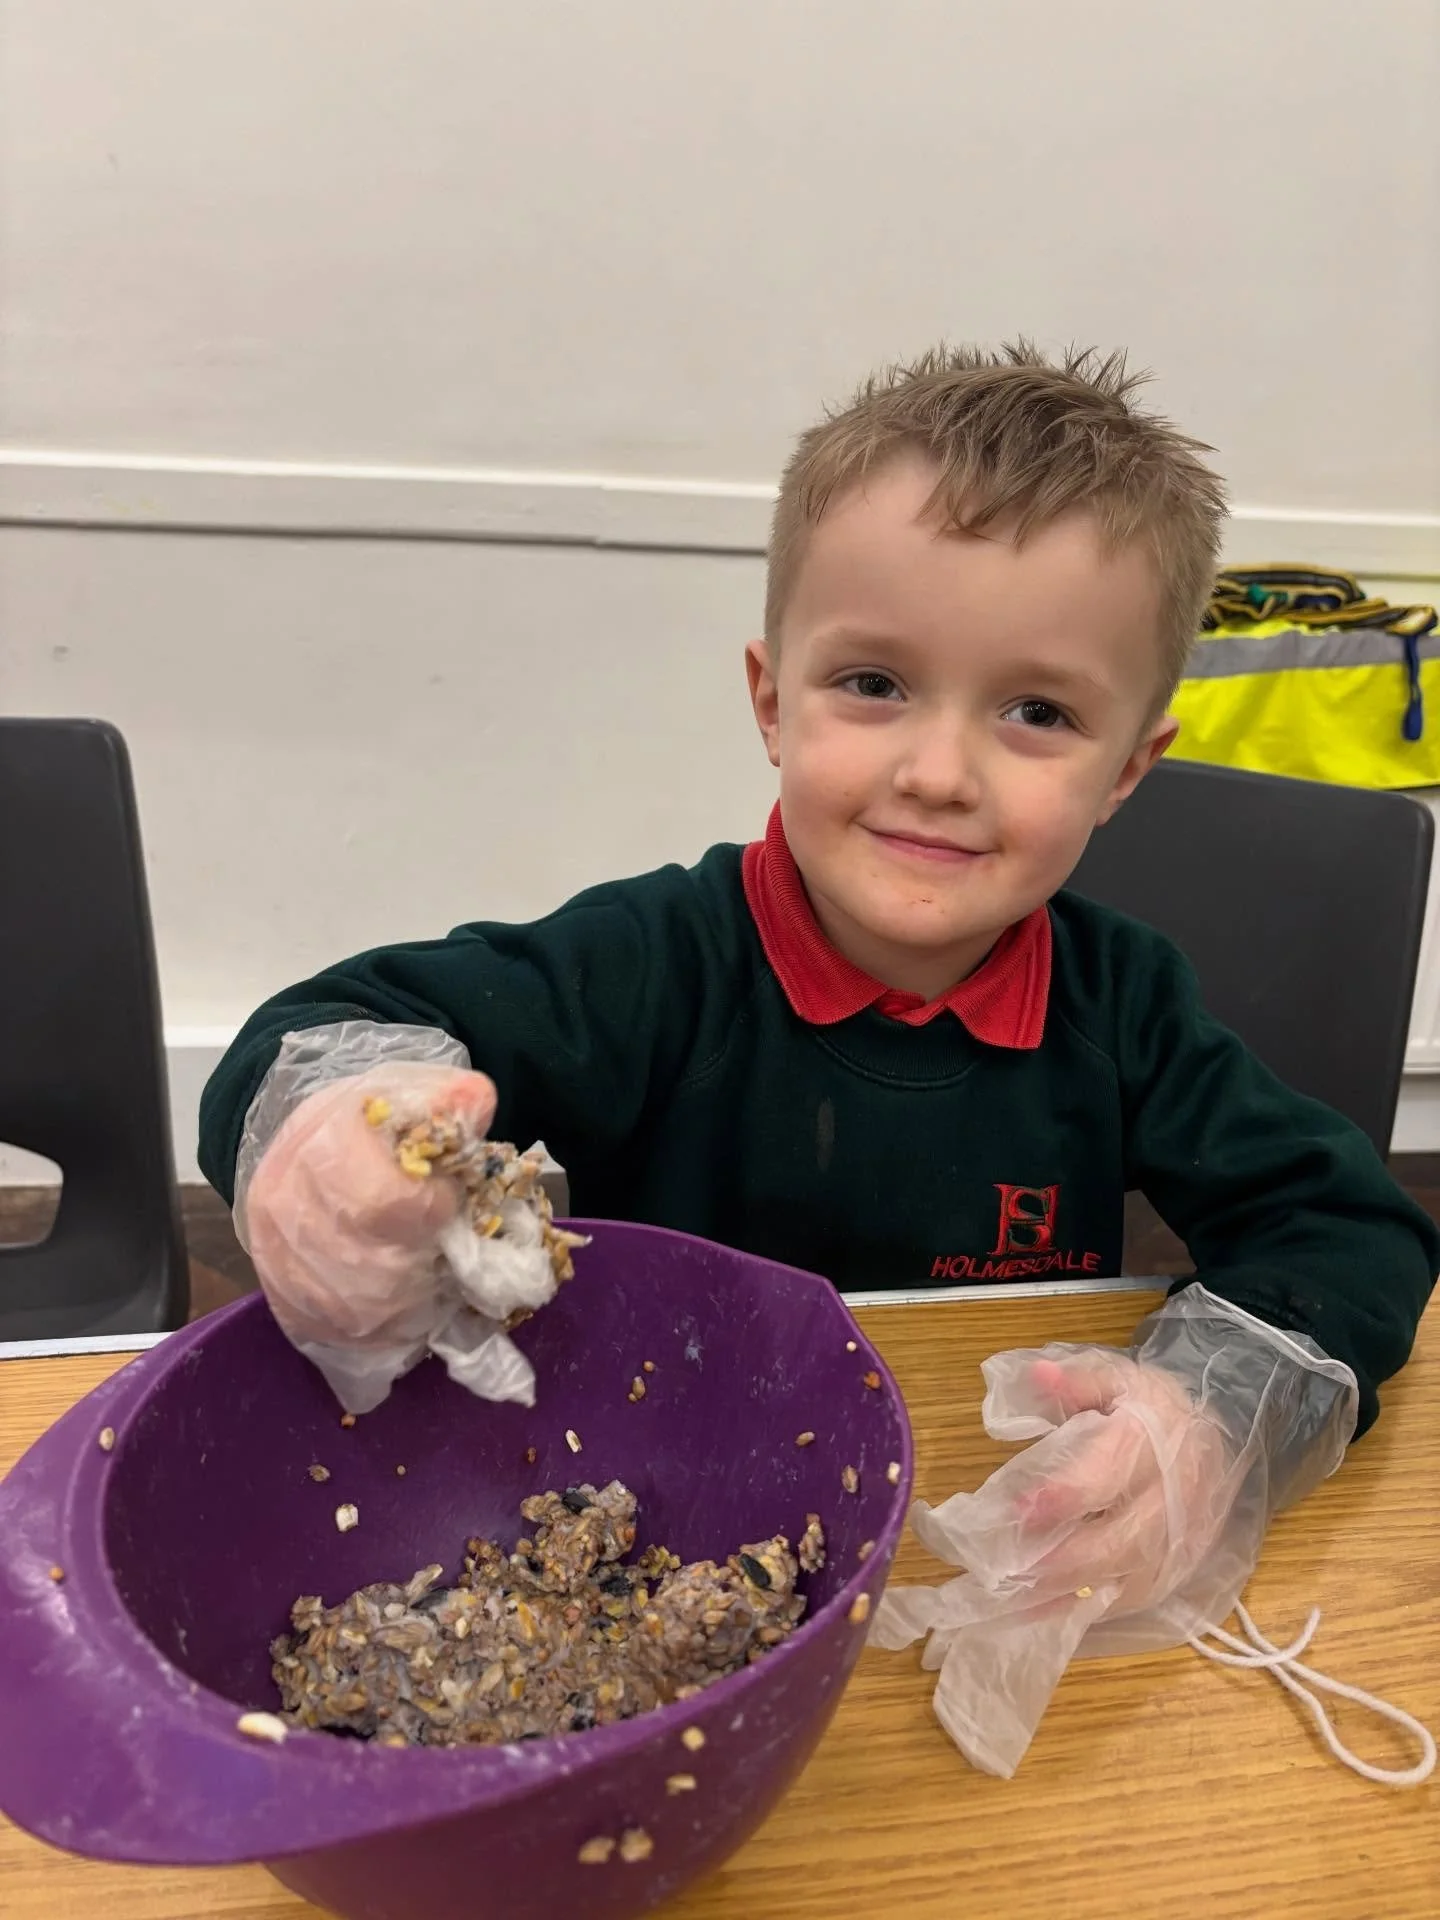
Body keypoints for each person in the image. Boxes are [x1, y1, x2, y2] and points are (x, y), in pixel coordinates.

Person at [199, 343, 1438, 1622]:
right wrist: (333, 1136)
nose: (941, 771)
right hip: (659, 1519)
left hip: (979, 1527)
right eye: (875, 685)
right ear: (772, 700)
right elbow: (318, 1032)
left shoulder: (1122, 1004)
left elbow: (1348, 1230)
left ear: (1130, 768)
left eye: (1039, 714)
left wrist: (1214, 1416)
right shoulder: (654, 959)